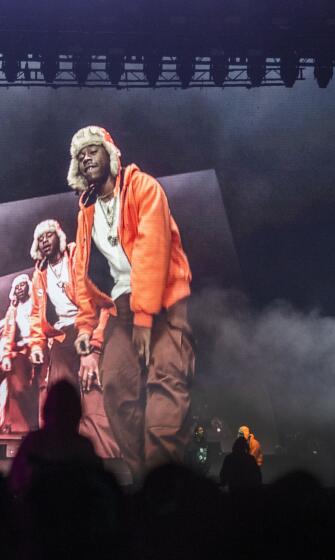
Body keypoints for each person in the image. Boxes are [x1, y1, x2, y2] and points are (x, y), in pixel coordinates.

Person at [68, 125, 195, 477]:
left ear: (111, 154)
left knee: (166, 387)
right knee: (115, 390)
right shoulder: (86, 214)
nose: (86, 157)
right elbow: (82, 275)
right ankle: (146, 478)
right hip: (122, 309)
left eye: (92, 149)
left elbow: (153, 251)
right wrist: (84, 325)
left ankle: (165, 482)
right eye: (80, 155)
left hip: (165, 303)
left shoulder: (144, 188)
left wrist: (145, 316)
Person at [27, 219, 119, 458]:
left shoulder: (78, 256)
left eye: (48, 235)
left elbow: (95, 302)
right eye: (40, 238)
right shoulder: (40, 274)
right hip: (62, 336)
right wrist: (36, 344)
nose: (44, 241)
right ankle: (60, 451)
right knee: (58, 391)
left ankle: (103, 453)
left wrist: (93, 344)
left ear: (59, 236)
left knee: (91, 388)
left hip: (87, 327)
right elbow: (37, 313)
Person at [0, 274, 40, 433]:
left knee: (38, 388)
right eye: (17, 286)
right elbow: (7, 333)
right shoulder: (12, 310)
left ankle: (36, 425)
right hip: (20, 351)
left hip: (37, 347)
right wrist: (5, 355)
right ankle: (24, 424)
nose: (20, 289)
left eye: (22, 285)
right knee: (18, 388)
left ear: (28, 286)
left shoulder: (36, 303)